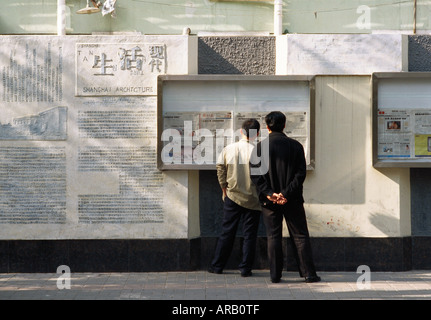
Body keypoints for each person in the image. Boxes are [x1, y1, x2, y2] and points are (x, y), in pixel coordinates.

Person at [250, 111, 320, 283]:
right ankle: (308, 274)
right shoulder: (296, 146)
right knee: (300, 235)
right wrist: (285, 193)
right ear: (284, 125)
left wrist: (270, 193)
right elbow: (300, 174)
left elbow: (255, 175)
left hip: (269, 201)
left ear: (267, 127)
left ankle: (275, 275)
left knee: (273, 236)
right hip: (292, 199)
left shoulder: (259, 147)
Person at [208, 119, 262, 277]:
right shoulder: (259, 152)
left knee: (227, 232)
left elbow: (220, 168)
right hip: (253, 199)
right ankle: (246, 269)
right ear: (257, 134)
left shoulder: (229, 149)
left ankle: (217, 266)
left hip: (232, 195)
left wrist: (224, 187)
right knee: (250, 235)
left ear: (241, 131)